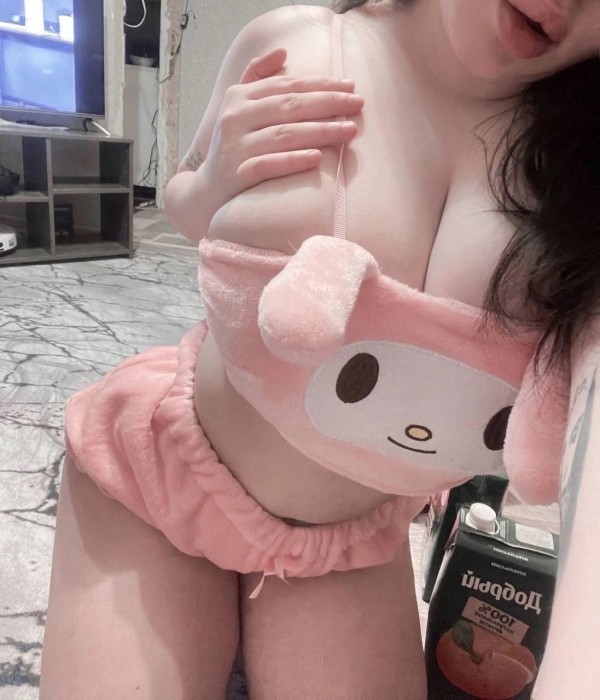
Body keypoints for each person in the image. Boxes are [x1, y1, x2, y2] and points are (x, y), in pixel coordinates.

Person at [40, 1, 600, 698]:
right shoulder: (295, 43)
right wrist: (211, 183)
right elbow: (183, 203)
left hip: (350, 539)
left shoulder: (578, 166)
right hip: (164, 476)